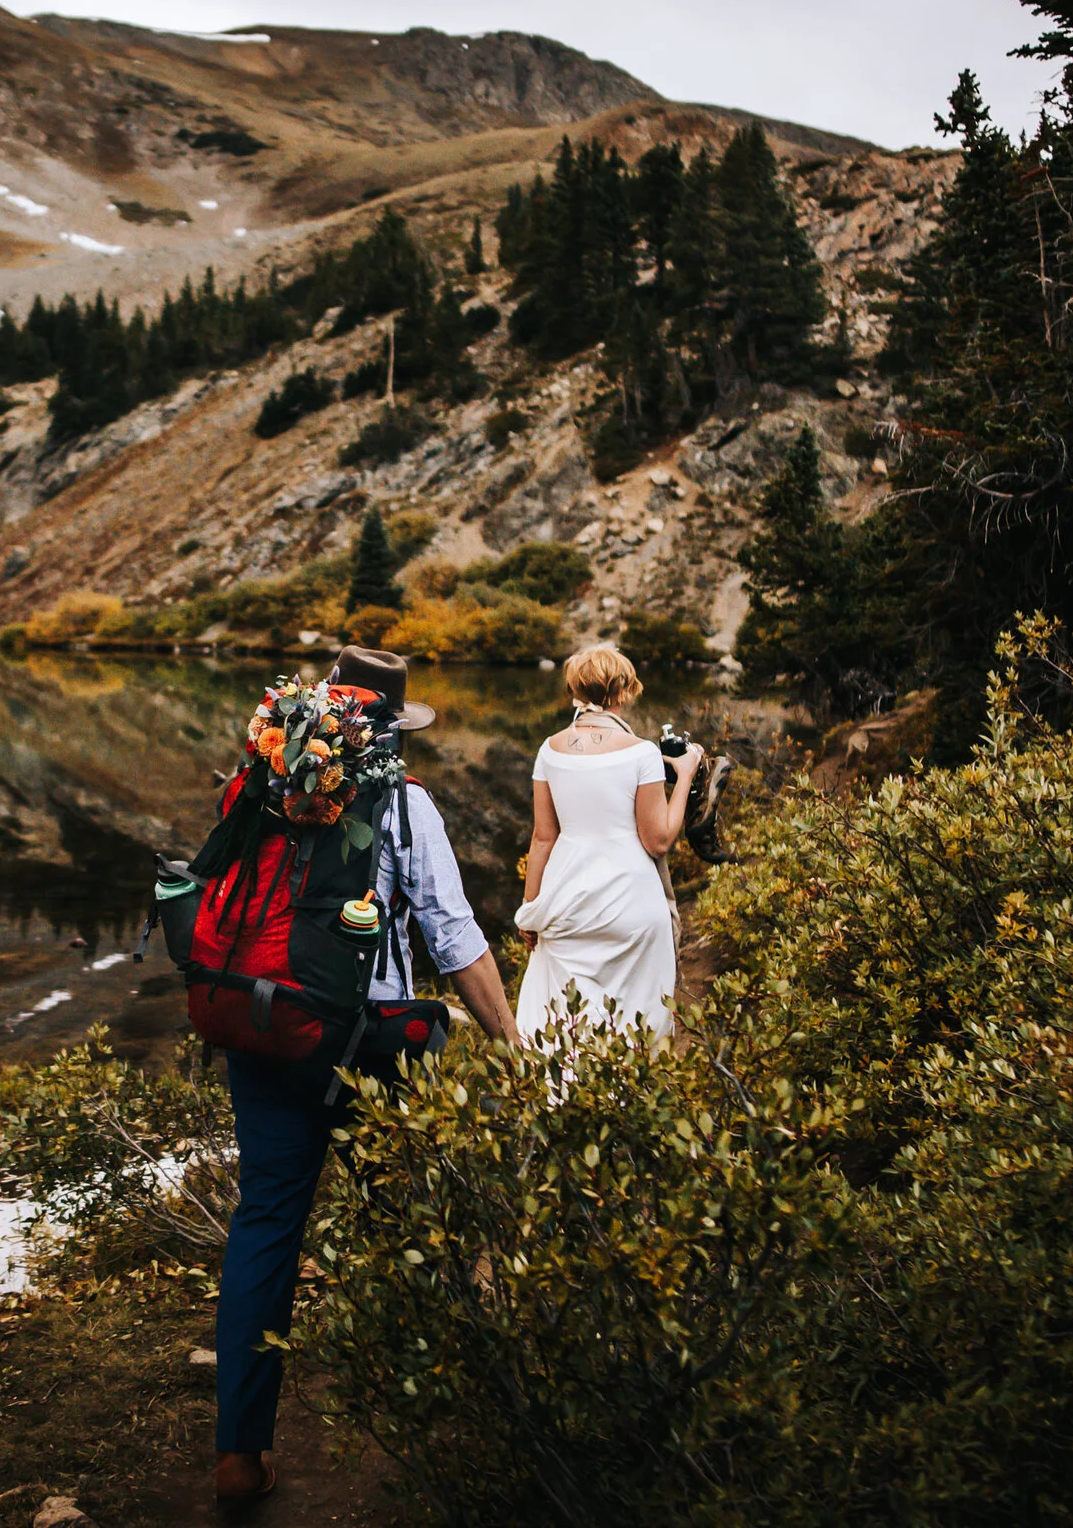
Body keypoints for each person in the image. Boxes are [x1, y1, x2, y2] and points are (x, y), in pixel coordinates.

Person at [212, 646, 518, 1509]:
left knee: (266, 1222)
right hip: (368, 1047)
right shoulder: (406, 805)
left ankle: (239, 1455)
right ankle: (431, 1416)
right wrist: (510, 1042)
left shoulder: (263, 786)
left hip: (266, 1028)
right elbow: (454, 937)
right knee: (406, 1218)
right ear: (388, 730)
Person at [510, 643, 705, 1043]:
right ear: (624, 691)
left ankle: (559, 1100)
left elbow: (544, 837)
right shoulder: (642, 753)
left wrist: (530, 909)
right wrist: (684, 774)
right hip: (630, 904)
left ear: (576, 690)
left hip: (566, 901)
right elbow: (659, 841)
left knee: (563, 1019)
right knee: (633, 1022)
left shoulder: (549, 748)